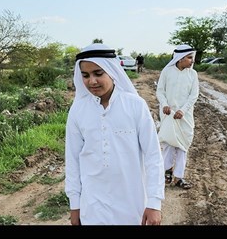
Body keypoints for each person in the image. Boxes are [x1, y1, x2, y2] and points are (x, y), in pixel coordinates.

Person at [65, 43, 165, 225]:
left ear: (111, 70)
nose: (92, 81)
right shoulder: (78, 109)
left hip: (131, 202)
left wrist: (154, 202)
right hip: (92, 204)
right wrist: (75, 204)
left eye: (98, 73)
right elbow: (72, 159)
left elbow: (153, 155)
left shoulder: (135, 105)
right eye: (85, 75)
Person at [156, 44, 199, 190]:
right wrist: (164, 104)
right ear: (180, 59)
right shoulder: (167, 72)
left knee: (183, 145)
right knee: (168, 143)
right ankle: (165, 172)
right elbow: (160, 91)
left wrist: (183, 110)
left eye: (191, 58)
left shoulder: (193, 75)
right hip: (168, 114)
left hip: (185, 116)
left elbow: (194, 95)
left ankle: (179, 177)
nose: (191, 61)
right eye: (189, 58)